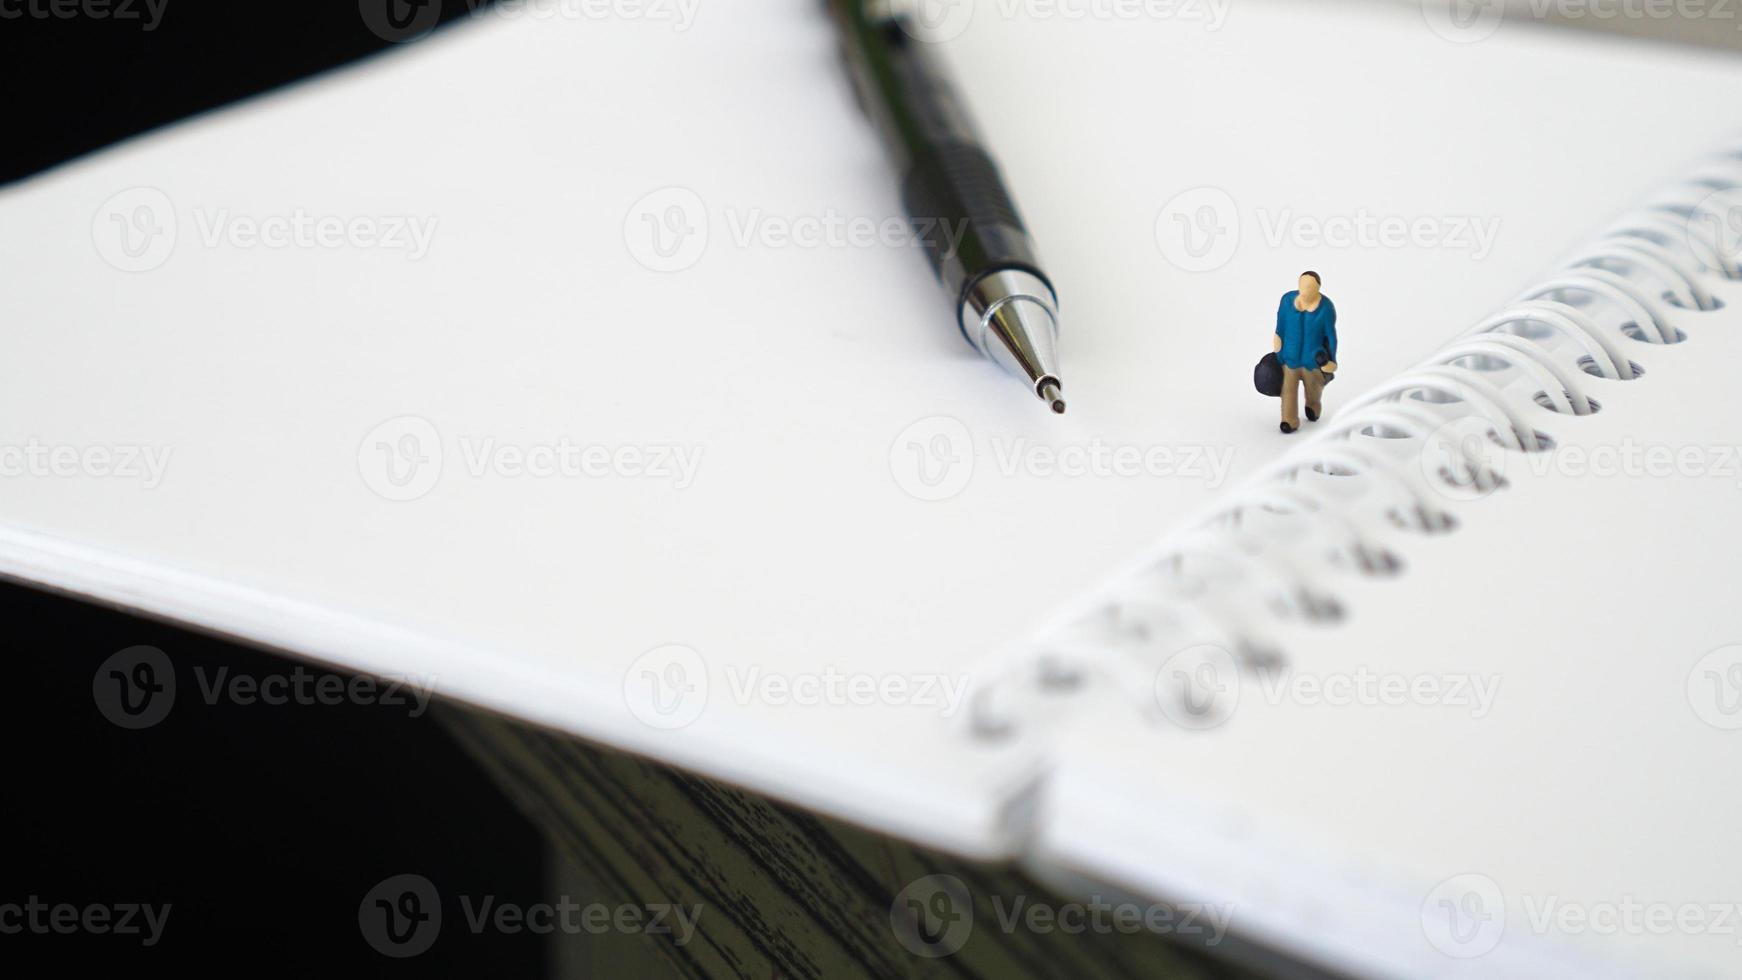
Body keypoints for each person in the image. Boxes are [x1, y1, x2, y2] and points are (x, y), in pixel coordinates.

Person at [1273, 271, 1338, 433]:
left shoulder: (1325, 308)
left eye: (1309, 287)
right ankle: (1289, 420)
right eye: (1302, 285)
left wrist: (1332, 360)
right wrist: (1278, 348)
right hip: (1291, 358)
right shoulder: (1287, 302)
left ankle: (1313, 406)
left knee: (1313, 389)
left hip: (1313, 360)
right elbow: (1280, 326)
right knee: (1287, 390)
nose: (1304, 290)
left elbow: (1331, 336)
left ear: (1317, 289)